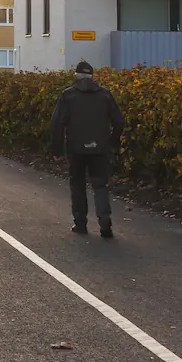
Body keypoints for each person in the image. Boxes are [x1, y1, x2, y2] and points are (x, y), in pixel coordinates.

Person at [49, 60, 125, 238]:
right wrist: (113, 141)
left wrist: (57, 150)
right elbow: (119, 121)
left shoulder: (68, 95)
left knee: (77, 185)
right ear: (92, 77)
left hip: (76, 149)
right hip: (100, 148)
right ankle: (105, 224)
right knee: (100, 185)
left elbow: (57, 124)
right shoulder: (105, 94)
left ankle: (80, 223)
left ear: (76, 76)